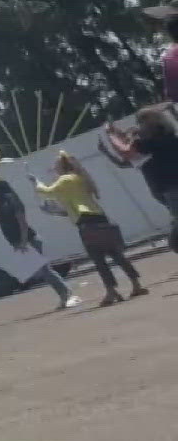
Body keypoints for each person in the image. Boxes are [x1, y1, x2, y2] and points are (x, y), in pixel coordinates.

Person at [32, 152, 146, 306]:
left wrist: (36, 182)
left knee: (99, 259)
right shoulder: (80, 177)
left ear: (61, 166)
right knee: (117, 255)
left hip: (86, 222)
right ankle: (136, 284)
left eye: (56, 165)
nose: (54, 168)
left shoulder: (65, 179)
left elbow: (47, 192)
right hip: (100, 217)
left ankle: (112, 292)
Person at [0, 176, 77, 309]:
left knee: (45, 271)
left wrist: (23, 242)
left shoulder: (13, 202)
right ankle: (65, 293)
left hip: (28, 240)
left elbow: (22, 223)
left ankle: (66, 294)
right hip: (21, 242)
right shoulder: (0, 205)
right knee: (43, 271)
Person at [99, 104, 178, 254]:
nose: (138, 126)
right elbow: (129, 152)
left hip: (172, 190)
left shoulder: (151, 143)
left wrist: (110, 134)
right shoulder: (166, 139)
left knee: (175, 241)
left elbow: (126, 151)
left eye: (140, 122)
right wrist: (116, 134)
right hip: (167, 192)